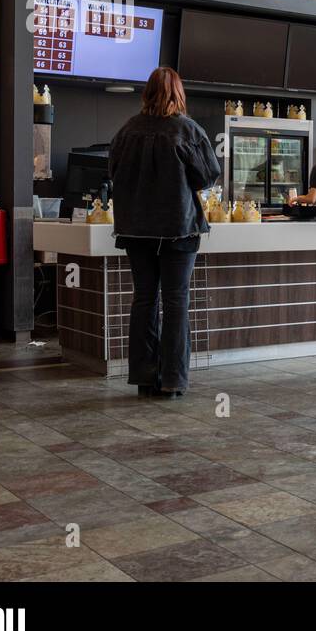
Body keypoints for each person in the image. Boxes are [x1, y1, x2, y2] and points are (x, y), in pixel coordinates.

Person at [108, 67, 220, 399]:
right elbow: (207, 176)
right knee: (175, 303)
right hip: (178, 229)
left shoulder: (127, 130)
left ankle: (144, 378)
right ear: (178, 94)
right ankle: (173, 380)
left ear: (147, 93)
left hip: (136, 229)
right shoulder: (188, 130)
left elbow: (112, 172)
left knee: (143, 300)